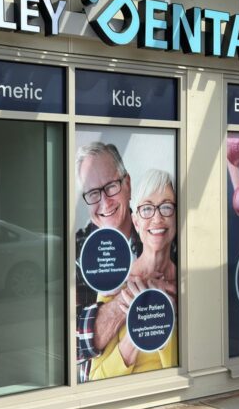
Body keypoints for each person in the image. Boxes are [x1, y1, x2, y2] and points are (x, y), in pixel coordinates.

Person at [89, 169, 177, 380]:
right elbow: (96, 379)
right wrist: (137, 332)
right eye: (147, 209)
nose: (157, 218)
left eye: (166, 207)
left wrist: (161, 323)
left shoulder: (185, 283)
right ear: (136, 222)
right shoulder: (116, 283)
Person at [74, 142, 134, 382]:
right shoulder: (75, 253)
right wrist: (133, 298)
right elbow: (72, 343)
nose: (105, 202)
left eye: (110, 187)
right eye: (93, 193)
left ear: (127, 184)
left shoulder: (159, 232)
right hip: (101, 389)